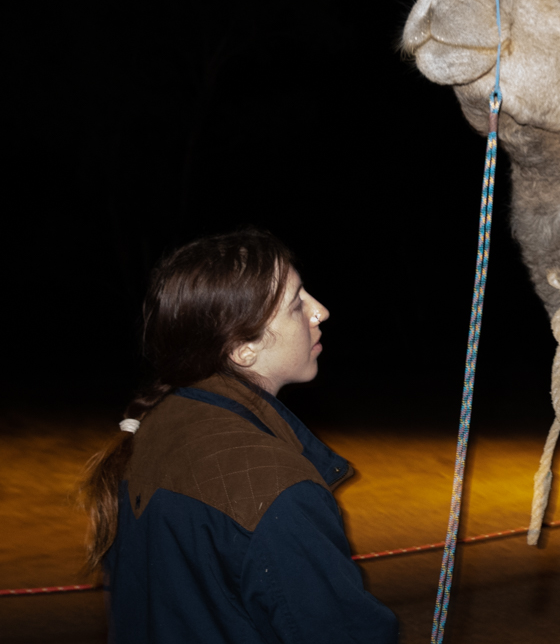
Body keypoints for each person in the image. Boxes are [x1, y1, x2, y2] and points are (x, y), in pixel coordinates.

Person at [81, 228, 398, 642]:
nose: (319, 311)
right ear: (243, 349)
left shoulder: (157, 423)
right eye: (295, 304)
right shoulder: (279, 490)